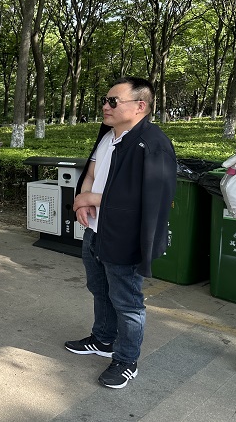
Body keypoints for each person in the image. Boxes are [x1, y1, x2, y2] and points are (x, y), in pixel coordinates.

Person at [66, 77, 176, 389]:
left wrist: (92, 198)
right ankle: (102, 339)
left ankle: (127, 360)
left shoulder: (153, 144)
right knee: (99, 289)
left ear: (140, 106)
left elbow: (151, 199)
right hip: (96, 230)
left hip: (125, 235)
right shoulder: (108, 136)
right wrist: (82, 200)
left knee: (127, 301)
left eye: (113, 101)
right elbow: (91, 172)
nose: (105, 106)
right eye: (105, 100)